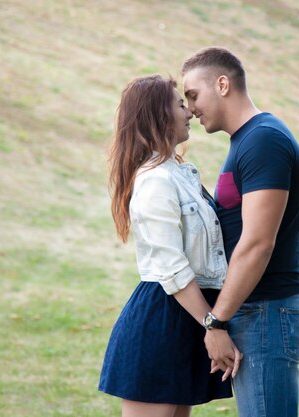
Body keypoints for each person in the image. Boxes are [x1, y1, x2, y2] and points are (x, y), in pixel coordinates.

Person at [181, 47, 299, 417]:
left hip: (267, 311)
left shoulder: (263, 140)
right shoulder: (247, 140)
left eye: (193, 94)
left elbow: (257, 243)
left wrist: (216, 321)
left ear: (222, 84)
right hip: (256, 311)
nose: (190, 108)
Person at [98, 75, 240, 417]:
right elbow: (171, 266)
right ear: (157, 116)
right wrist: (213, 325)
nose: (189, 111)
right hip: (162, 320)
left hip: (185, 317)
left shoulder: (180, 173)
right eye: (179, 104)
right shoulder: (155, 181)